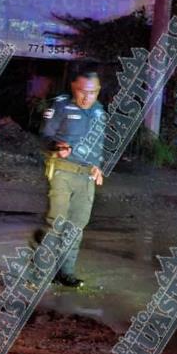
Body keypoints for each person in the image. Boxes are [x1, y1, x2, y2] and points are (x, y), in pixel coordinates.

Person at [37, 71, 106, 287]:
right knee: (55, 222)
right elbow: (45, 136)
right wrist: (58, 146)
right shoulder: (60, 107)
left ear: (98, 91)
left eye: (93, 92)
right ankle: (42, 272)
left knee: (76, 226)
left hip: (86, 176)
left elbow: (99, 145)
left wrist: (98, 167)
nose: (87, 97)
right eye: (82, 92)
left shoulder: (98, 111)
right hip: (62, 171)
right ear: (74, 87)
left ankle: (65, 273)